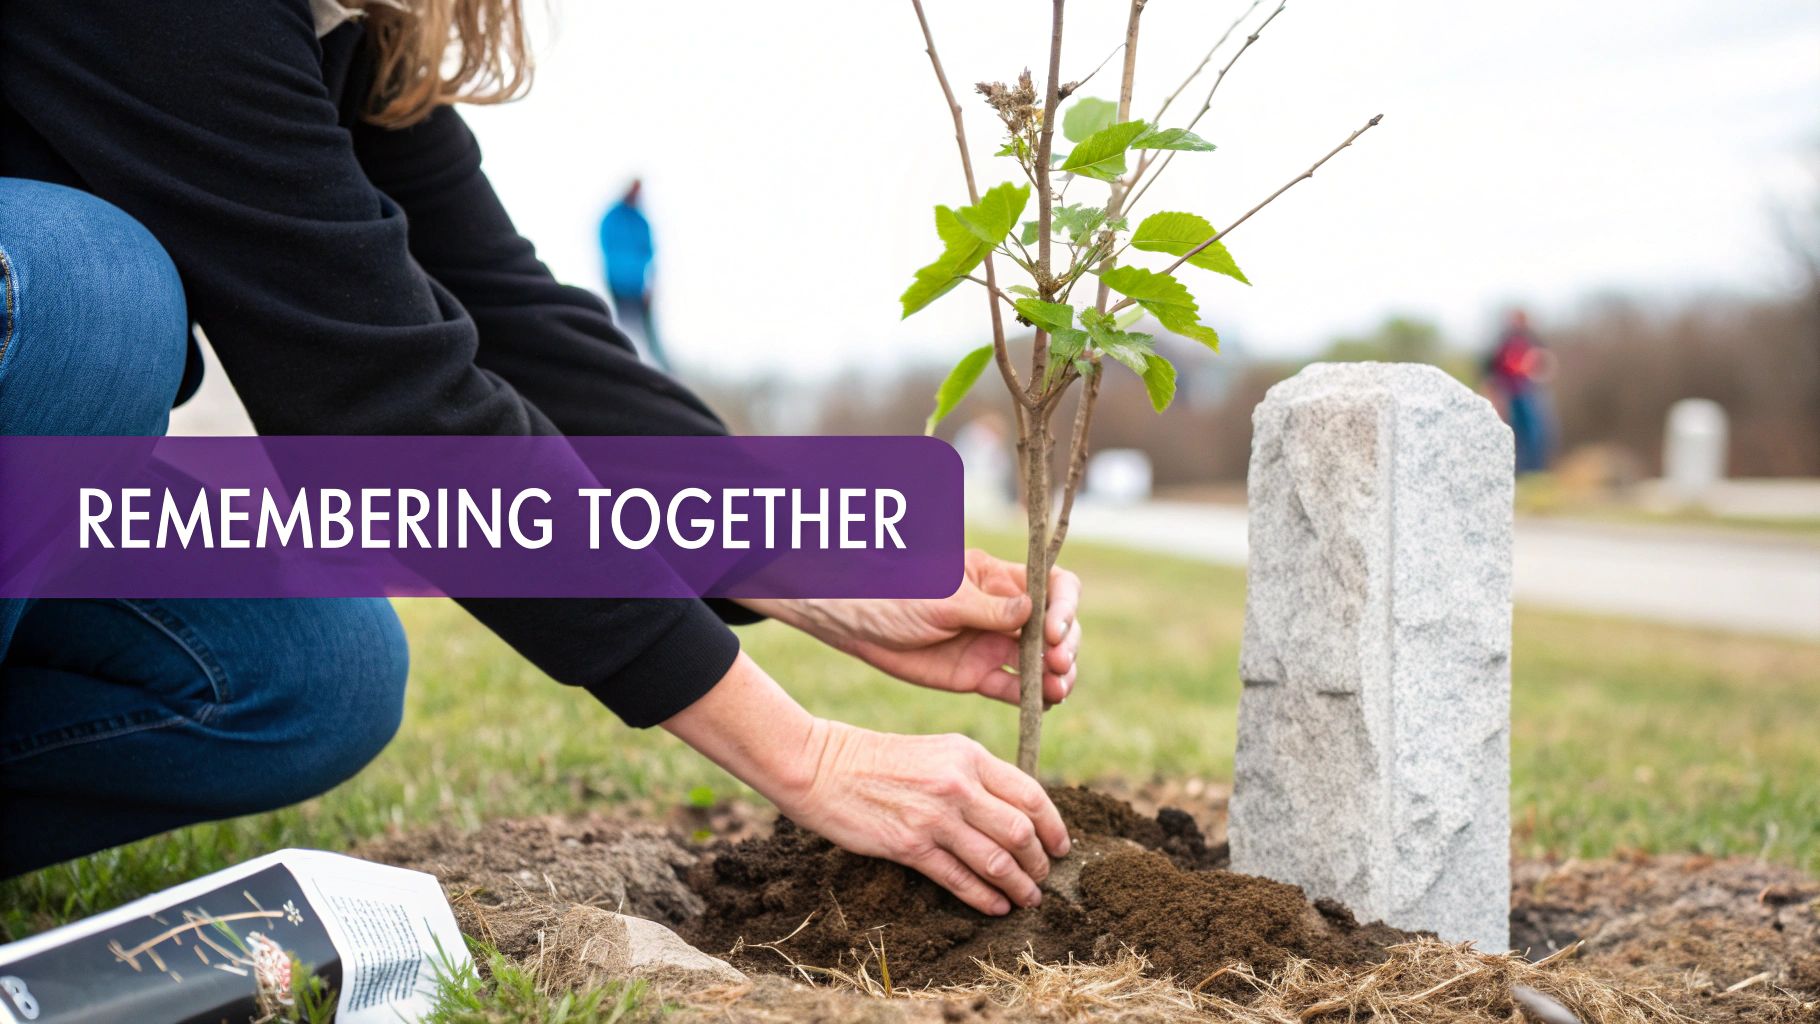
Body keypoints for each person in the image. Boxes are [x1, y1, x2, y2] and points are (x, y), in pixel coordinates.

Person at [0, 0, 1083, 916]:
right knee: (90, 295)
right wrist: (807, 756)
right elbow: (386, 410)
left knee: (311, 676)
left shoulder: (352, 24)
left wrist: (819, 557)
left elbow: (503, 316)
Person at [599, 180, 667, 370]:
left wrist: (650, 285)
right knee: (626, 330)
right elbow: (606, 248)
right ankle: (626, 367)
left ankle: (663, 373)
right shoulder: (613, 217)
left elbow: (650, 255)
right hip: (618, 285)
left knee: (649, 337)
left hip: (639, 288)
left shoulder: (640, 221)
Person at [1483, 309, 1556, 474]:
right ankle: (1518, 470)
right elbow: (1491, 369)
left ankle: (1536, 470)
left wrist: (1539, 376)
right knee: (1515, 433)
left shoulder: (1533, 340)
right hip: (1509, 394)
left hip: (1530, 393)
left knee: (1536, 433)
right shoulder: (1504, 341)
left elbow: (1547, 362)